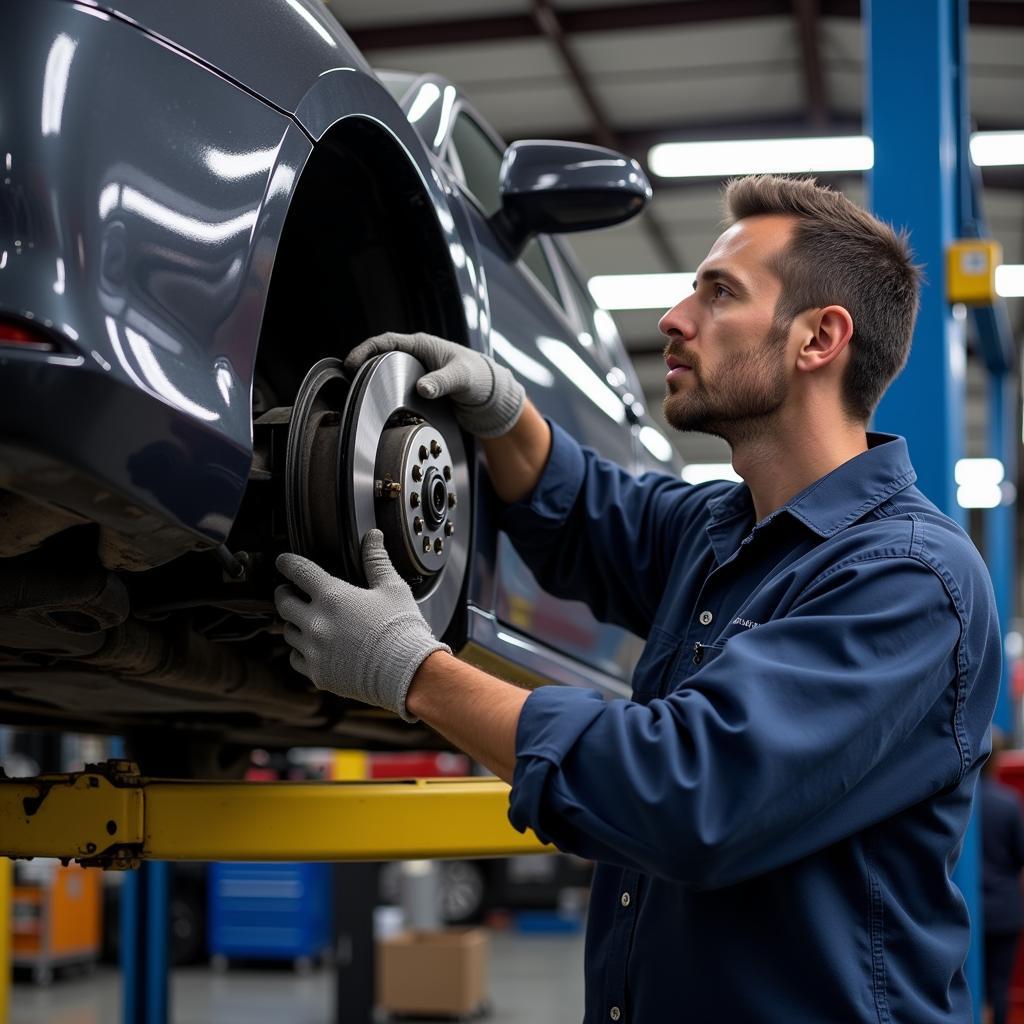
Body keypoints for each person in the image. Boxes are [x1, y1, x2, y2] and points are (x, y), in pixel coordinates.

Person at [274, 175, 1000, 1023]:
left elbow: (685, 792)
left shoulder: (911, 581)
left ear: (818, 339)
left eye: (719, 292)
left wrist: (413, 670)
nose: (674, 320)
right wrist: (506, 413)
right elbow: (593, 516)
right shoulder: (725, 529)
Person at [982, 730, 1024, 1024]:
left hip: (967, 910)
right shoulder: (1009, 803)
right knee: (999, 984)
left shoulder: (957, 806)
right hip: (1005, 910)